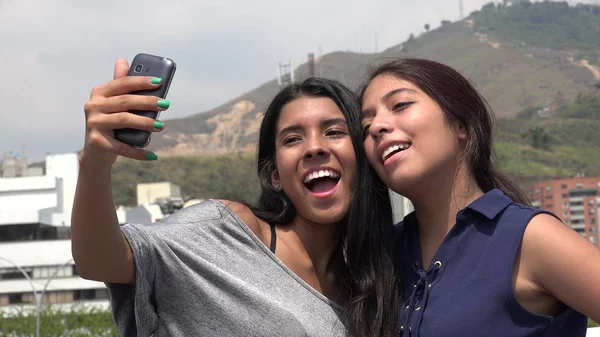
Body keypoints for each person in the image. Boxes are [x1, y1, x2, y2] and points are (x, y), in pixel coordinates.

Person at [71, 58, 401, 337]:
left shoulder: (372, 287)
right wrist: (94, 164)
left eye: (333, 132)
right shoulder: (228, 231)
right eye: (292, 139)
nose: (315, 147)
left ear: (362, 159)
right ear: (275, 175)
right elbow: (102, 260)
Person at [358, 58, 600, 336]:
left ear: (461, 124)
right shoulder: (384, 257)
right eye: (366, 127)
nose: (377, 126)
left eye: (400, 105)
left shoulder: (529, 238)